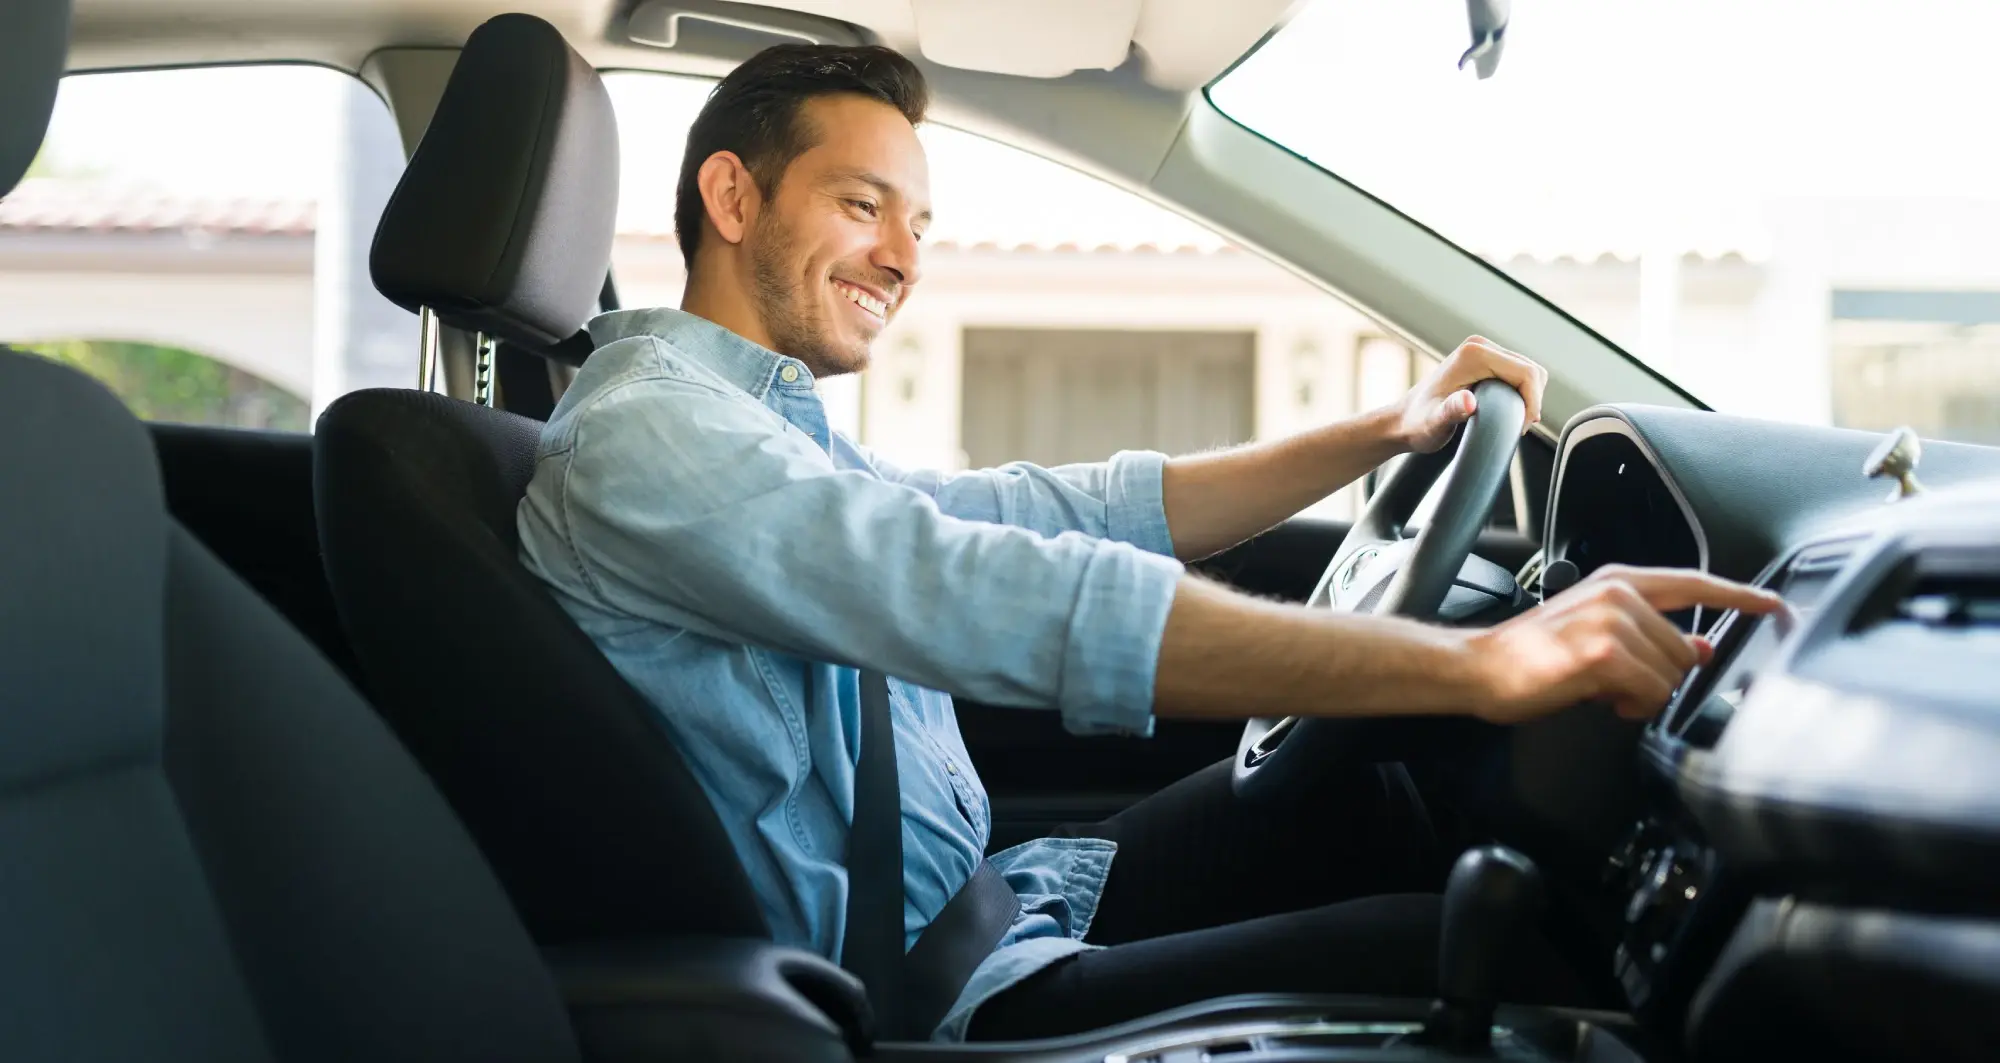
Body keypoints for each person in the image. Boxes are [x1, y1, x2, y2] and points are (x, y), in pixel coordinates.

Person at [515, 43, 1779, 1042]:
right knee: (1495, 957)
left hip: (997, 901)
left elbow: (1041, 513)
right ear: (731, 194)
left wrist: (1384, 431)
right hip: (927, 999)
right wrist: (1479, 666)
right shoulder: (651, 440)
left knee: (1364, 795)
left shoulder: (754, 425)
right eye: (862, 205)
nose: (901, 258)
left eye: (920, 226)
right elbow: (981, 591)